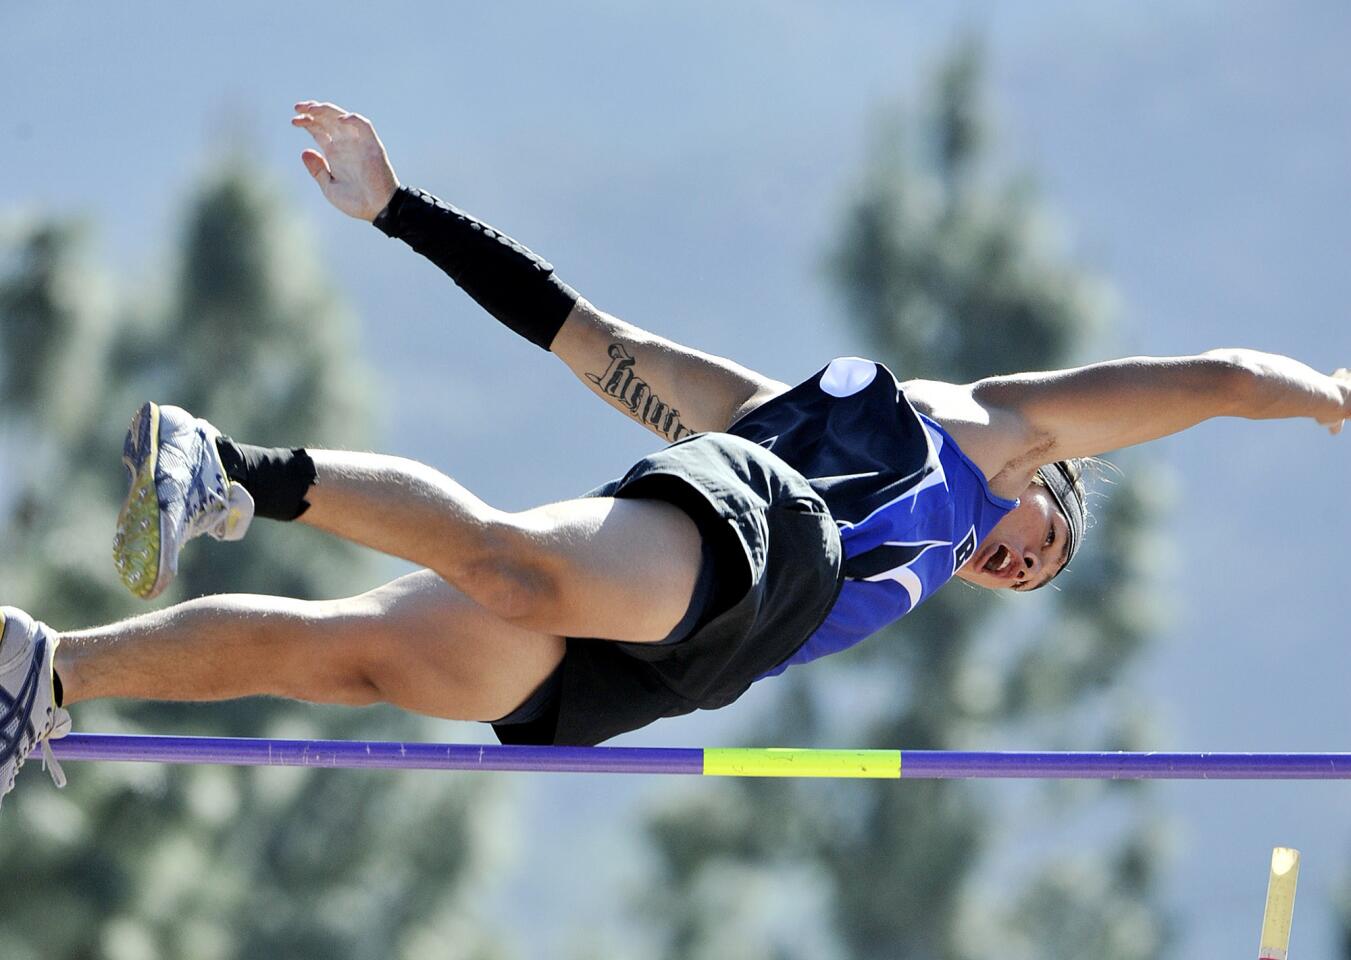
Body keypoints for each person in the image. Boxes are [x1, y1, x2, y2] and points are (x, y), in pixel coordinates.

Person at [3, 101, 1348, 806]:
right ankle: (235, 469)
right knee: (517, 573)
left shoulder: (770, 419)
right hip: (755, 540)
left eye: (1013, 579)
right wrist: (1336, 398)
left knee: (353, 652)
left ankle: (48, 671)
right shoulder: (984, 436)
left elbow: (588, 341)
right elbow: (1220, 383)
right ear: (1042, 477)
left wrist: (402, 213)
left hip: (702, 656)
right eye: (1035, 539)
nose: (1006, 560)